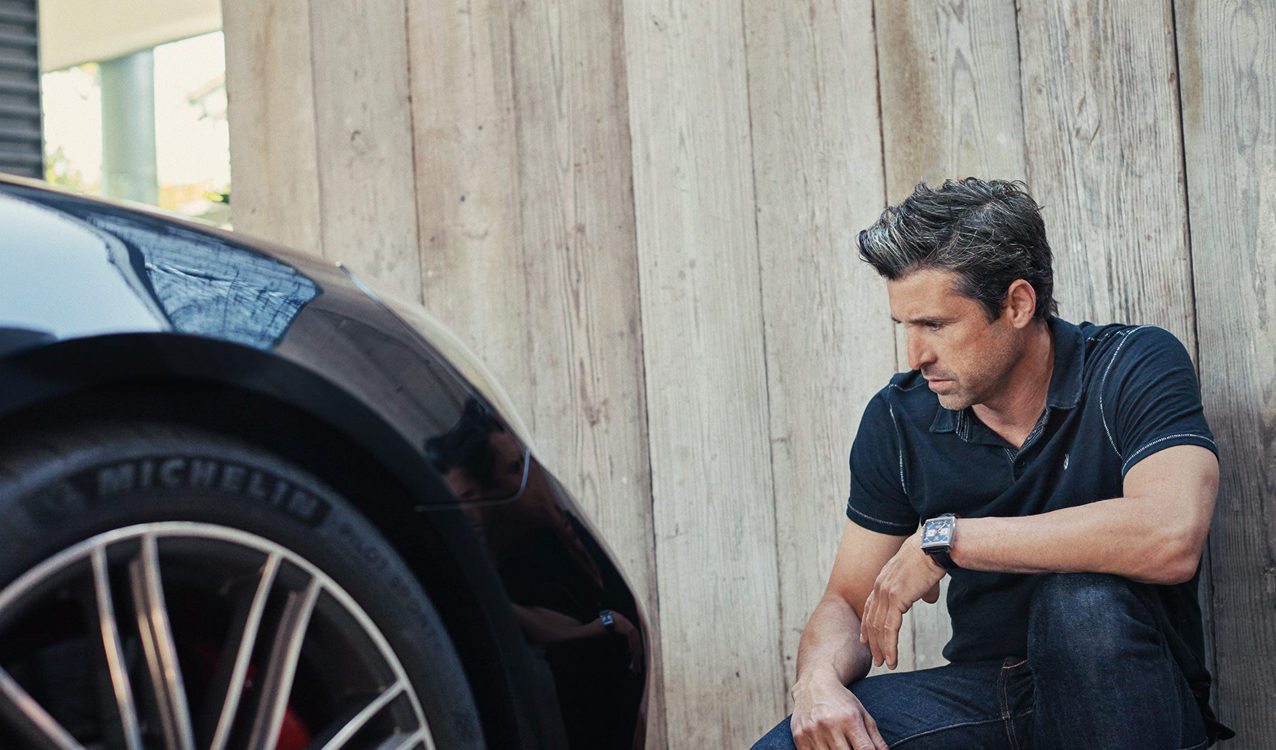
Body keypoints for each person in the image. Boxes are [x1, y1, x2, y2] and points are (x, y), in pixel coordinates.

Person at [753, 178, 1233, 749]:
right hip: (988, 694)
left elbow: (1171, 534)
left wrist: (946, 540)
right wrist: (816, 683)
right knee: (794, 744)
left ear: (1017, 304)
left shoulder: (1131, 366)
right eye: (906, 327)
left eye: (935, 325)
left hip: (1123, 693)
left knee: (1080, 606)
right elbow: (848, 600)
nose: (916, 355)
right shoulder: (899, 419)